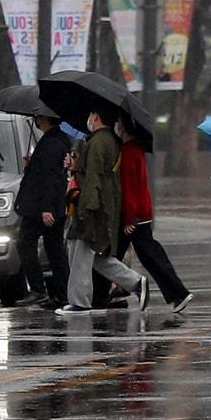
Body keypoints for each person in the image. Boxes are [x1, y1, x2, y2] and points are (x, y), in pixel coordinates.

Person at [55, 107, 149, 315]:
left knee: (79, 252)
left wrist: (84, 210)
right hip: (103, 207)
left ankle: (80, 302)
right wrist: (76, 166)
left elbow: (94, 179)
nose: (88, 119)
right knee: (96, 256)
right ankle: (135, 283)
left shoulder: (98, 142)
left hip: (92, 209)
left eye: (90, 115)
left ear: (96, 116)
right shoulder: (108, 140)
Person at [113, 111, 194, 313]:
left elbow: (129, 188)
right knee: (145, 256)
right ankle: (177, 293)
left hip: (135, 217)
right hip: (141, 214)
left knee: (109, 258)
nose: (117, 126)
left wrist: (129, 218)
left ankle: (178, 293)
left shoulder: (129, 153)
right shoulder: (135, 150)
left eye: (119, 123)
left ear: (124, 127)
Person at [15, 112, 70, 307]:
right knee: (54, 249)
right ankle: (62, 294)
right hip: (54, 205)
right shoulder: (58, 140)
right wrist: (32, 165)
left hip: (41, 206)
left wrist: (46, 208)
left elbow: (50, 178)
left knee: (25, 243)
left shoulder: (50, 144)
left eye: (38, 117)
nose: (36, 121)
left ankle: (38, 289)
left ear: (45, 119)